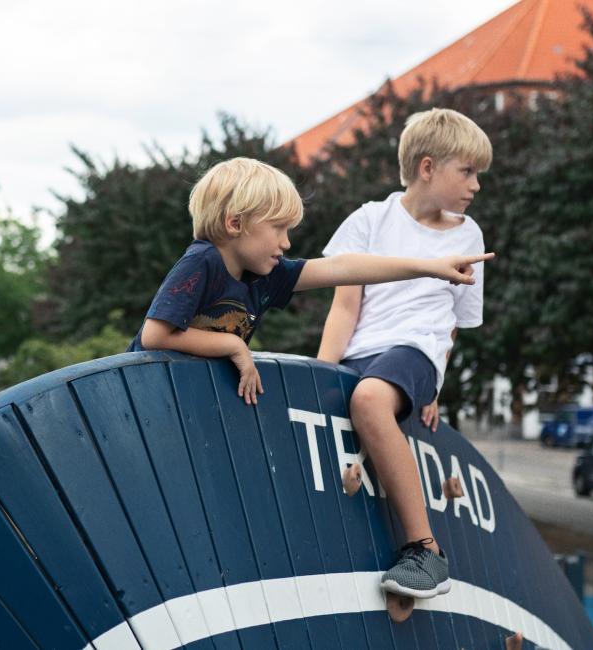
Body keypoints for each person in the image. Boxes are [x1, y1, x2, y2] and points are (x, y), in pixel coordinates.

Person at [130, 157, 493, 406]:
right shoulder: (202, 261)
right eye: (278, 229)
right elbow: (156, 335)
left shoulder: (265, 277)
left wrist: (428, 266)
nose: (286, 243)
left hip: (183, 396)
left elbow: (343, 268)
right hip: (140, 392)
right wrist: (234, 346)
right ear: (235, 223)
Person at [316, 108, 492, 600]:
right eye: (468, 171)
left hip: (414, 352)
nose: (476, 185)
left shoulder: (467, 234)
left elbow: (453, 326)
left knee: (370, 401)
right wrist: (322, 373)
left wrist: (433, 386)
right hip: (362, 354)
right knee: (353, 412)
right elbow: (344, 307)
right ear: (428, 167)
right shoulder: (369, 220)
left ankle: (425, 550)